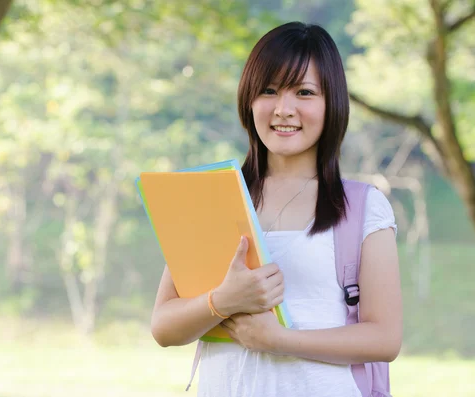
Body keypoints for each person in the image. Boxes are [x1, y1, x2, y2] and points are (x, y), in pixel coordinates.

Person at [150, 21, 402, 397]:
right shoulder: (213, 198)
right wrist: (222, 302)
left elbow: (384, 339)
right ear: (249, 100)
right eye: (269, 90)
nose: (284, 109)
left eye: (304, 92)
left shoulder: (363, 207)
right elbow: (164, 327)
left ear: (331, 102)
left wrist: (279, 339)